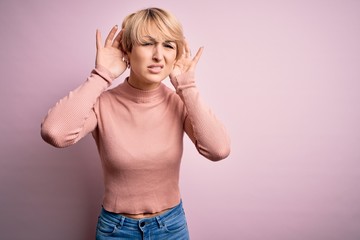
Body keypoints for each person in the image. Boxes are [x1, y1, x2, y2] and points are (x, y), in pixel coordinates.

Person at [41, 7, 230, 240]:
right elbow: (55, 133)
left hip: (171, 227)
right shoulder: (103, 103)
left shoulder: (179, 102)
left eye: (169, 45)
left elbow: (218, 150)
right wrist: (101, 75)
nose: (159, 55)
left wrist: (187, 87)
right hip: (116, 230)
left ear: (176, 55)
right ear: (127, 51)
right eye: (148, 43)